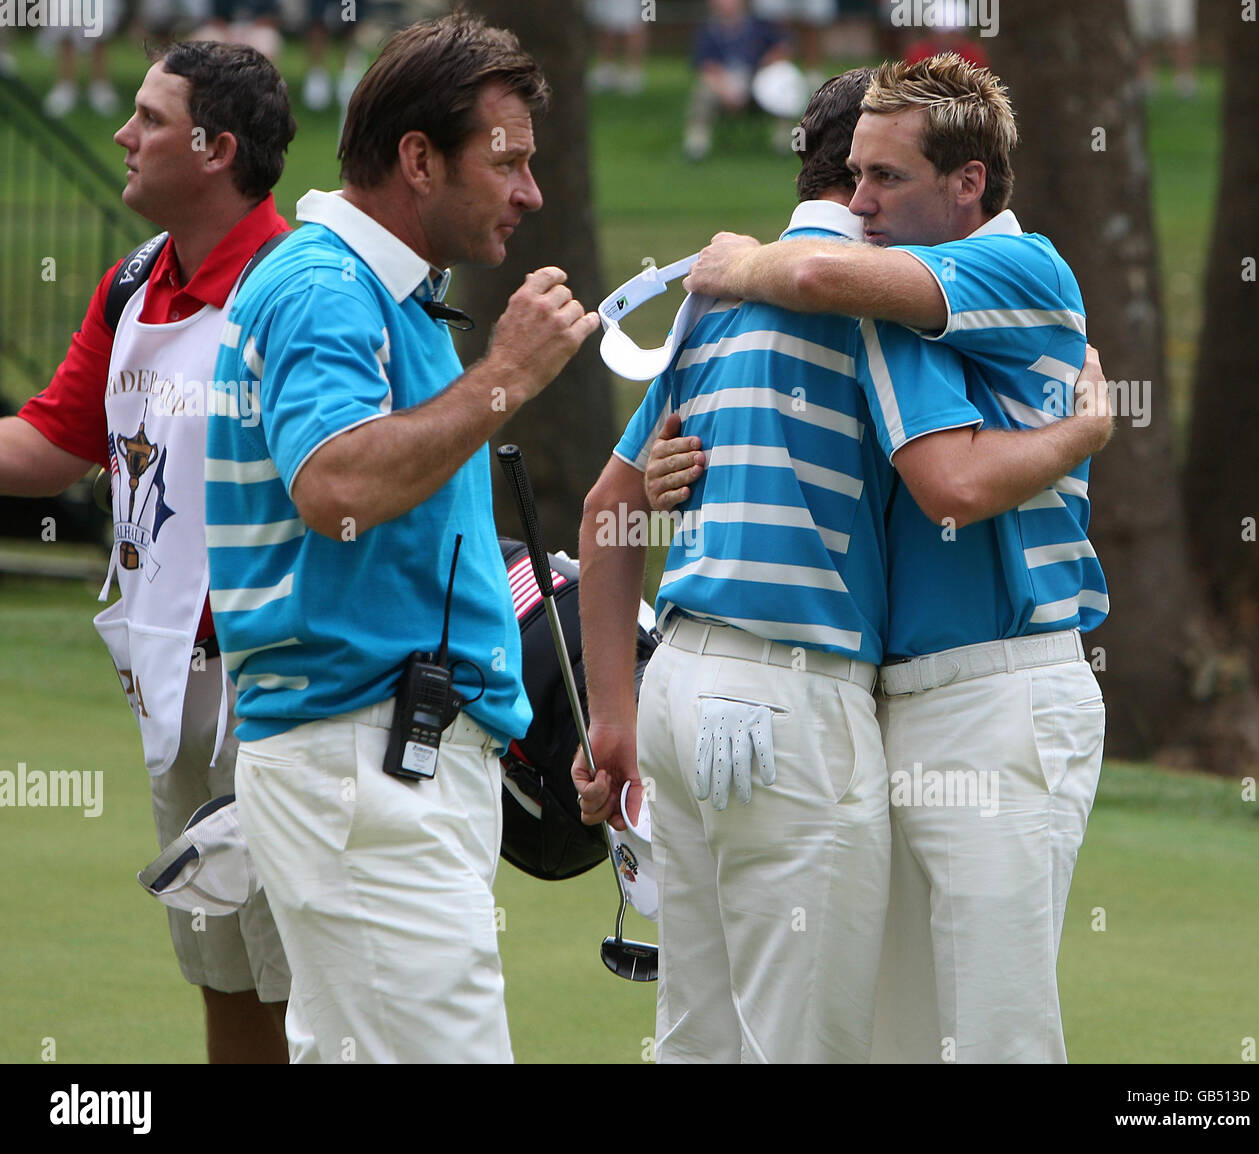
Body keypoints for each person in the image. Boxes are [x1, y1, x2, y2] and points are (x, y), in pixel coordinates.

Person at [575, 66, 1111, 1063]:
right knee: (883, 1037)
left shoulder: (1009, 269)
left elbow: (942, 477)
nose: (863, 205)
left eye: (888, 179)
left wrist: (1080, 434)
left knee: (991, 1035)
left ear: (967, 182)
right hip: (863, 699)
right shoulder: (885, 299)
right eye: (856, 177)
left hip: (998, 686)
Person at [203, 14, 598, 1064]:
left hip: (387, 757)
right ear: (418, 160)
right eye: (506, 161)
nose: (531, 192)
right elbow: (333, 485)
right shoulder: (325, 287)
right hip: (363, 761)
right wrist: (506, 373)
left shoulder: (389, 297)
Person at [0, 41, 296, 1063]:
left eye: (149, 119)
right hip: (170, 680)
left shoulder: (296, 286)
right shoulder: (135, 280)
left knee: (306, 986)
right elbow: (49, 444)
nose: (123, 137)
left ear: (214, 149)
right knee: (221, 970)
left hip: (284, 684)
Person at [684, 0, 790, 160]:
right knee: (703, 89)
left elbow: (783, 48)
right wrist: (725, 91)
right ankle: (696, 145)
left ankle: (784, 142)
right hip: (723, 82)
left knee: (782, 84)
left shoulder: (760, 26)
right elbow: (706, 67)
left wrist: (766, 67)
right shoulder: (707, 31)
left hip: (757, 79)